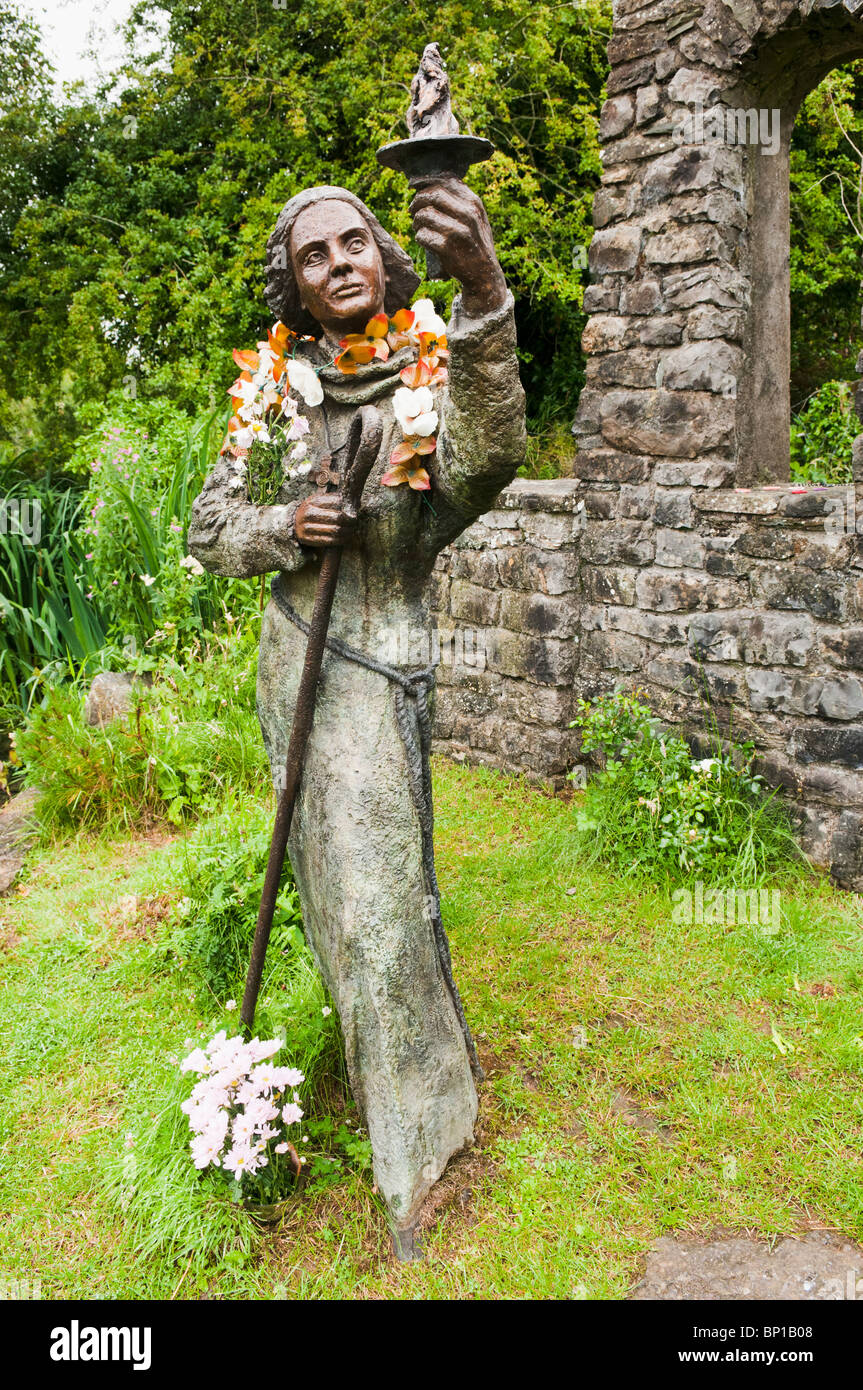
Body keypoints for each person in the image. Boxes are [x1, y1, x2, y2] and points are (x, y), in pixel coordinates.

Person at [188, 178, 526, 1244]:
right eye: (314, 253)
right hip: (297, 666)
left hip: (382, 669)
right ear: (293, 281)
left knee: (385, 906)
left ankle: (415, 1150)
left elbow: (487, 461)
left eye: (354, 243)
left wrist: (482, 297)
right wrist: (288, 521)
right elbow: (208, 527)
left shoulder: (424, 368)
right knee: (345, 907)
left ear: (382, 255)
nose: (338, 261)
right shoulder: (272, 391)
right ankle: (389, 1086)